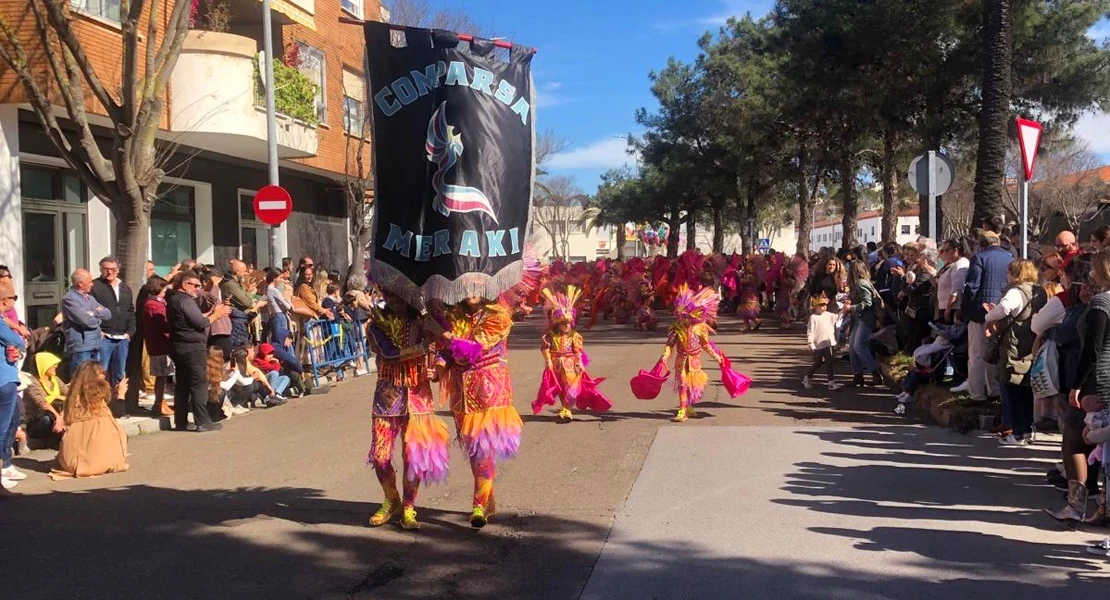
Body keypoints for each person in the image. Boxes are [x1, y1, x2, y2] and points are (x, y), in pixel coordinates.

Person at [433, 295, 523, 528]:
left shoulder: (498, 315)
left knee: (483, 449)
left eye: (477, 284)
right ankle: (489, 500)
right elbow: (446, 352)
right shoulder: (455, 315)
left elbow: (472, 350)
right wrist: (439, 365)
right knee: (475, 451)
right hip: (462, 393)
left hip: (489, 391)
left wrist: (444, 336)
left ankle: (478, 506)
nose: (471, 290)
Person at [364, 291, 451, 530]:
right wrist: (423, 347)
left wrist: (438, 369)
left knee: (414, 458)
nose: (394, 301)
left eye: (400, 296)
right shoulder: (376, 325)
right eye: (390, 296)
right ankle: (392, 500)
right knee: (380, 457)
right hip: (387, 398)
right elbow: (388, 353)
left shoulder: (426, 323)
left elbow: (445, 350)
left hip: (419, 398)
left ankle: (409, 506)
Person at [1047, 249, 1110, 524]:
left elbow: (1092, 352)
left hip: (1098, 381)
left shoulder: (1101, 304)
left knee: (1074, 438)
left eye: (1095, 268)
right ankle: (1102, 506)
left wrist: (1077, 386)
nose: (1091, 274)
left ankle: (1076, 504)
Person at [984, 259, 1043, 446]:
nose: (1007, 275)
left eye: (1009, 272)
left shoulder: (1015, 292)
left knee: (1011, 388)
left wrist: (989, 316)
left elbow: (1004, 309)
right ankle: (1027, 429)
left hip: (1014, 344)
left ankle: (1017, 432)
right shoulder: (1039, 291)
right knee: (1026, 391)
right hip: (1031, 342)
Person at [653, 285, 732, 422]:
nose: (683, 319)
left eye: (686, 316)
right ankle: (682, 410)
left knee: (692, 386)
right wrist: (665, 356)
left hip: (695, 362)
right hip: (681, 361)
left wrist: (717, 357)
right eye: (681, 316)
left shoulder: (700, 328)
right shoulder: (676, 329)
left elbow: (706, 345)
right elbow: (669, 345)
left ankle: (689, 406)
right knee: (682, 384)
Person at [534, 286, 611, 422]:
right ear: (557, 324)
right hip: (556, 364)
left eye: (568, 323)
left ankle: (567, 409)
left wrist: (580, 362)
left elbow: (578, 351)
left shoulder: (575, 336)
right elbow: (545, 348)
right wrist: (548, 361)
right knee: (560, 388)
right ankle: (564, 407)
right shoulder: (550, 336)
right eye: (563, 324)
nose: (566, 326)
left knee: (570, 386)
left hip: (570, 364)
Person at [167, 271, 231, 432]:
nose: (197, 289)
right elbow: (200, 322)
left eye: (199, 286)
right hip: (192, 348)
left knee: (183, 384)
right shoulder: (184, 300)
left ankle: (180, 421)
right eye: (194, 285)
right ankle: (202, 421)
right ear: (184, 284)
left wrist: (212, 312)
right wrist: (217, 314)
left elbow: (193, 318)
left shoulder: (175, 300)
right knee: (198, 384)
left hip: (180, 347)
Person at [50, 361, 129, 479]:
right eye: (102, 372)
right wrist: (121, 394)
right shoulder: (100, 390)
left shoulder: (72, 395)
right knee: (118, 431)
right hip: (98, 461)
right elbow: (117, 413)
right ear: (95, 375)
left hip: (70, 461)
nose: (104, 375)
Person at [960, 231, 1013, 402]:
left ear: (980, 243)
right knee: (994, 354)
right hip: (1002, 310)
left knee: (977, 355)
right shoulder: (1010, 257)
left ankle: (976, 394)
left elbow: (972, 286)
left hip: (980, 312)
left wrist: (965, 309)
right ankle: (994, 390)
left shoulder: (979, 258)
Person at [90, 256, 136, 393]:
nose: (109, 272)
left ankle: (118, 405)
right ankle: (100, 404)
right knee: (100, 372)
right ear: (100, 269)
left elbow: (130, 311)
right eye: (106, 269)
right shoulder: (95, 287)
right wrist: (98, 331)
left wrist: (130, 332)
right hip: (104, 337)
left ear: (118, 270)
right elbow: (90, 311)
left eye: (113, 269)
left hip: (122, 338)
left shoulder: (125, 288)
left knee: (119, 373)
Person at [0, 280, 27, 490]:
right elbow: (16, 341)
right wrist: (17, 342)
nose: (14, 302)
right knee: (3, 426)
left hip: (9, 377)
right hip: (3, 379)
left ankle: (6, 463)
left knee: (12, 421)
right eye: (14, 298)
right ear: (4, 301)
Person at [61, 269, 111, 373]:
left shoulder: (91, 298)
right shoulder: (69, 299)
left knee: (95, 377)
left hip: (96, 344)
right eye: (89, 282)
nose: (92, 284)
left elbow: (107, 313)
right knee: (81, 377)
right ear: (80, 284)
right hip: (81, 346)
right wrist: (97, 320)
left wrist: (93, 313)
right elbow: (87, 321)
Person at [844, 260, 883, 387]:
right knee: (852, 347)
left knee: (859, 346)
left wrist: (852, 308)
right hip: (859, 318)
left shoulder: (861, 284)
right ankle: (858, 375)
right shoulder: (857, 284)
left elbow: (868, 303)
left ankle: (875, 372)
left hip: (866, 318)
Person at [141, 276, 175, 417]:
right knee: (161, 375)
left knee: (165, 374)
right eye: (164, 288)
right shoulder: (153, 304)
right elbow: (164, 322)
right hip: (159, 344)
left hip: (164, 343)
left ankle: (160, 402)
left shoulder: (160, 302)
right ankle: (159, 403)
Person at [22, 352, 67, 444]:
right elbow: (42, 403)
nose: (56, 366)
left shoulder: (55, 379)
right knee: (48, 418)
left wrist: (62, 415)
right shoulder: (32, 382)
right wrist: (58, 417)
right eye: (53, 364)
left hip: (58, 415)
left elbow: (69, 395)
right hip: (37, 420)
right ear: (44, 365)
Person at [803, 294, 843, 391]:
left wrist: (844, 309)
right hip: (818, 344)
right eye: (821, 305)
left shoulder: (828, 315)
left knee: (829, 362)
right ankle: (807, 377)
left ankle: (831, 382)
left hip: (828, 343)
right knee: (818, 362)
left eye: (824, 304)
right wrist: (811, 343)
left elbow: (838, 317)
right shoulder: (813, 318)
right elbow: (810, 331)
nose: (823, 307)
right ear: (815, 306)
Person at [197, 267, 232, 359]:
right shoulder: (200, 293)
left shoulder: (215, 291)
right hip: (215, 331)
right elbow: (211, 299)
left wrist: (225, 304)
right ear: (205, 282)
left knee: (227, 357)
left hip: (224, 330)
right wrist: (214, 285)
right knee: (218, 359)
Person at [936, 239, 969, 323]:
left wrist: (948, 309)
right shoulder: (954, 264)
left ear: (955, 250)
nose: (944, 253)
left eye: (946, 250)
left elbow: (956, 289)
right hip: (945, 306)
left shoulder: (961, 264)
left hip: (953, 309)